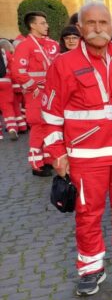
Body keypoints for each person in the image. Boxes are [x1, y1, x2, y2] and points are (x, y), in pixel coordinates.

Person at [42, 3, 112, 296]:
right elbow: (49, 117)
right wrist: (57, 155)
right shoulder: (63, 64)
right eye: (91, 23)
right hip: (87, 158)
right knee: (88, 214)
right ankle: (90, 268)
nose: (98, 28)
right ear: (80, 27)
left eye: (104, 22)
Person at [9, 11, 59, 176]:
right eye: (43, 23)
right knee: (38, 127)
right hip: (35, 94)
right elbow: (18, 71)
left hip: (49, 93)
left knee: (48, 125)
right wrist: (33, 87)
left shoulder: (46, 44)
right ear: (32, 25)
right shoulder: (25, 45)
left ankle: (47, 159)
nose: (47, 26)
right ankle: (36, 164)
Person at [0, 39, 17, 141]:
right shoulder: (5, 53)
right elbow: (13, 68)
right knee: (7, 108)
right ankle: (12, 128)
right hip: (5, 82)